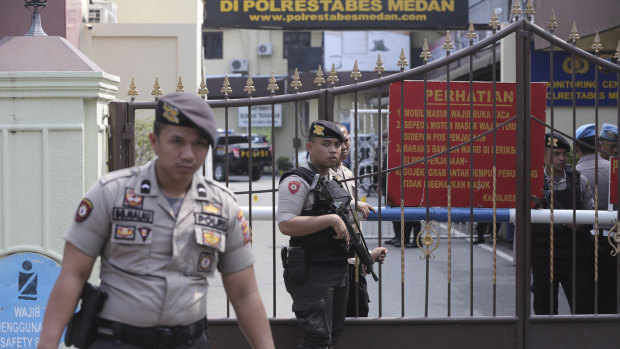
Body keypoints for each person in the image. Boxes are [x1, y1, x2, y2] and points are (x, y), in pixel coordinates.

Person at [38, 92, 275, 349]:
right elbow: (74, 274)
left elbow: (244, 293)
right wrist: (47, 344)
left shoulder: (223, 206)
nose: (188, 154)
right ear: (154, 141)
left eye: (199, 144)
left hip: (189, 342)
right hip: (118, 342)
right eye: (177, 141)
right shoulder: (111, 194)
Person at [277, 120, 352, 348]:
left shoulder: (332, 180)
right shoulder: (298, 180)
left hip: (338, 269)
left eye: (337, 145)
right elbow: (286, 224)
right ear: (310, 147)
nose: (333, 150)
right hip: (313, 273)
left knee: (333, 335)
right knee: (317, 340)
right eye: (326, 144)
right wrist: (331, 219)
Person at [530, 133, 595, 315]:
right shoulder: (533, 182)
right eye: (556, 154)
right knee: (545, 309)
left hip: (574, 255)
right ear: (543, 156)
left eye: (564, 154)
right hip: (543, 256)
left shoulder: (578, 180)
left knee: (583, 308)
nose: (561, 158)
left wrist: (581, 223)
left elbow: (593, 212)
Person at [332, 124, 387, 318]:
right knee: (338, 313)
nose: (343, 146)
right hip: (334, 257)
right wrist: (354, 203)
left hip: (354, 256)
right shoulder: (322, 174)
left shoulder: (347, 172)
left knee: (360, 309)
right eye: (338, 142)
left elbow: (354, 222)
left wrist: (367, 255)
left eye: (346, 140)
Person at [574, 124, 617, 314]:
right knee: (610, 297)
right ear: (598, 144)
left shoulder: (573, 173)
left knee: (584, 298)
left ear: (577, 148)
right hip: (613, 241)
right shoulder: (614, 170)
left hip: (585, 241)